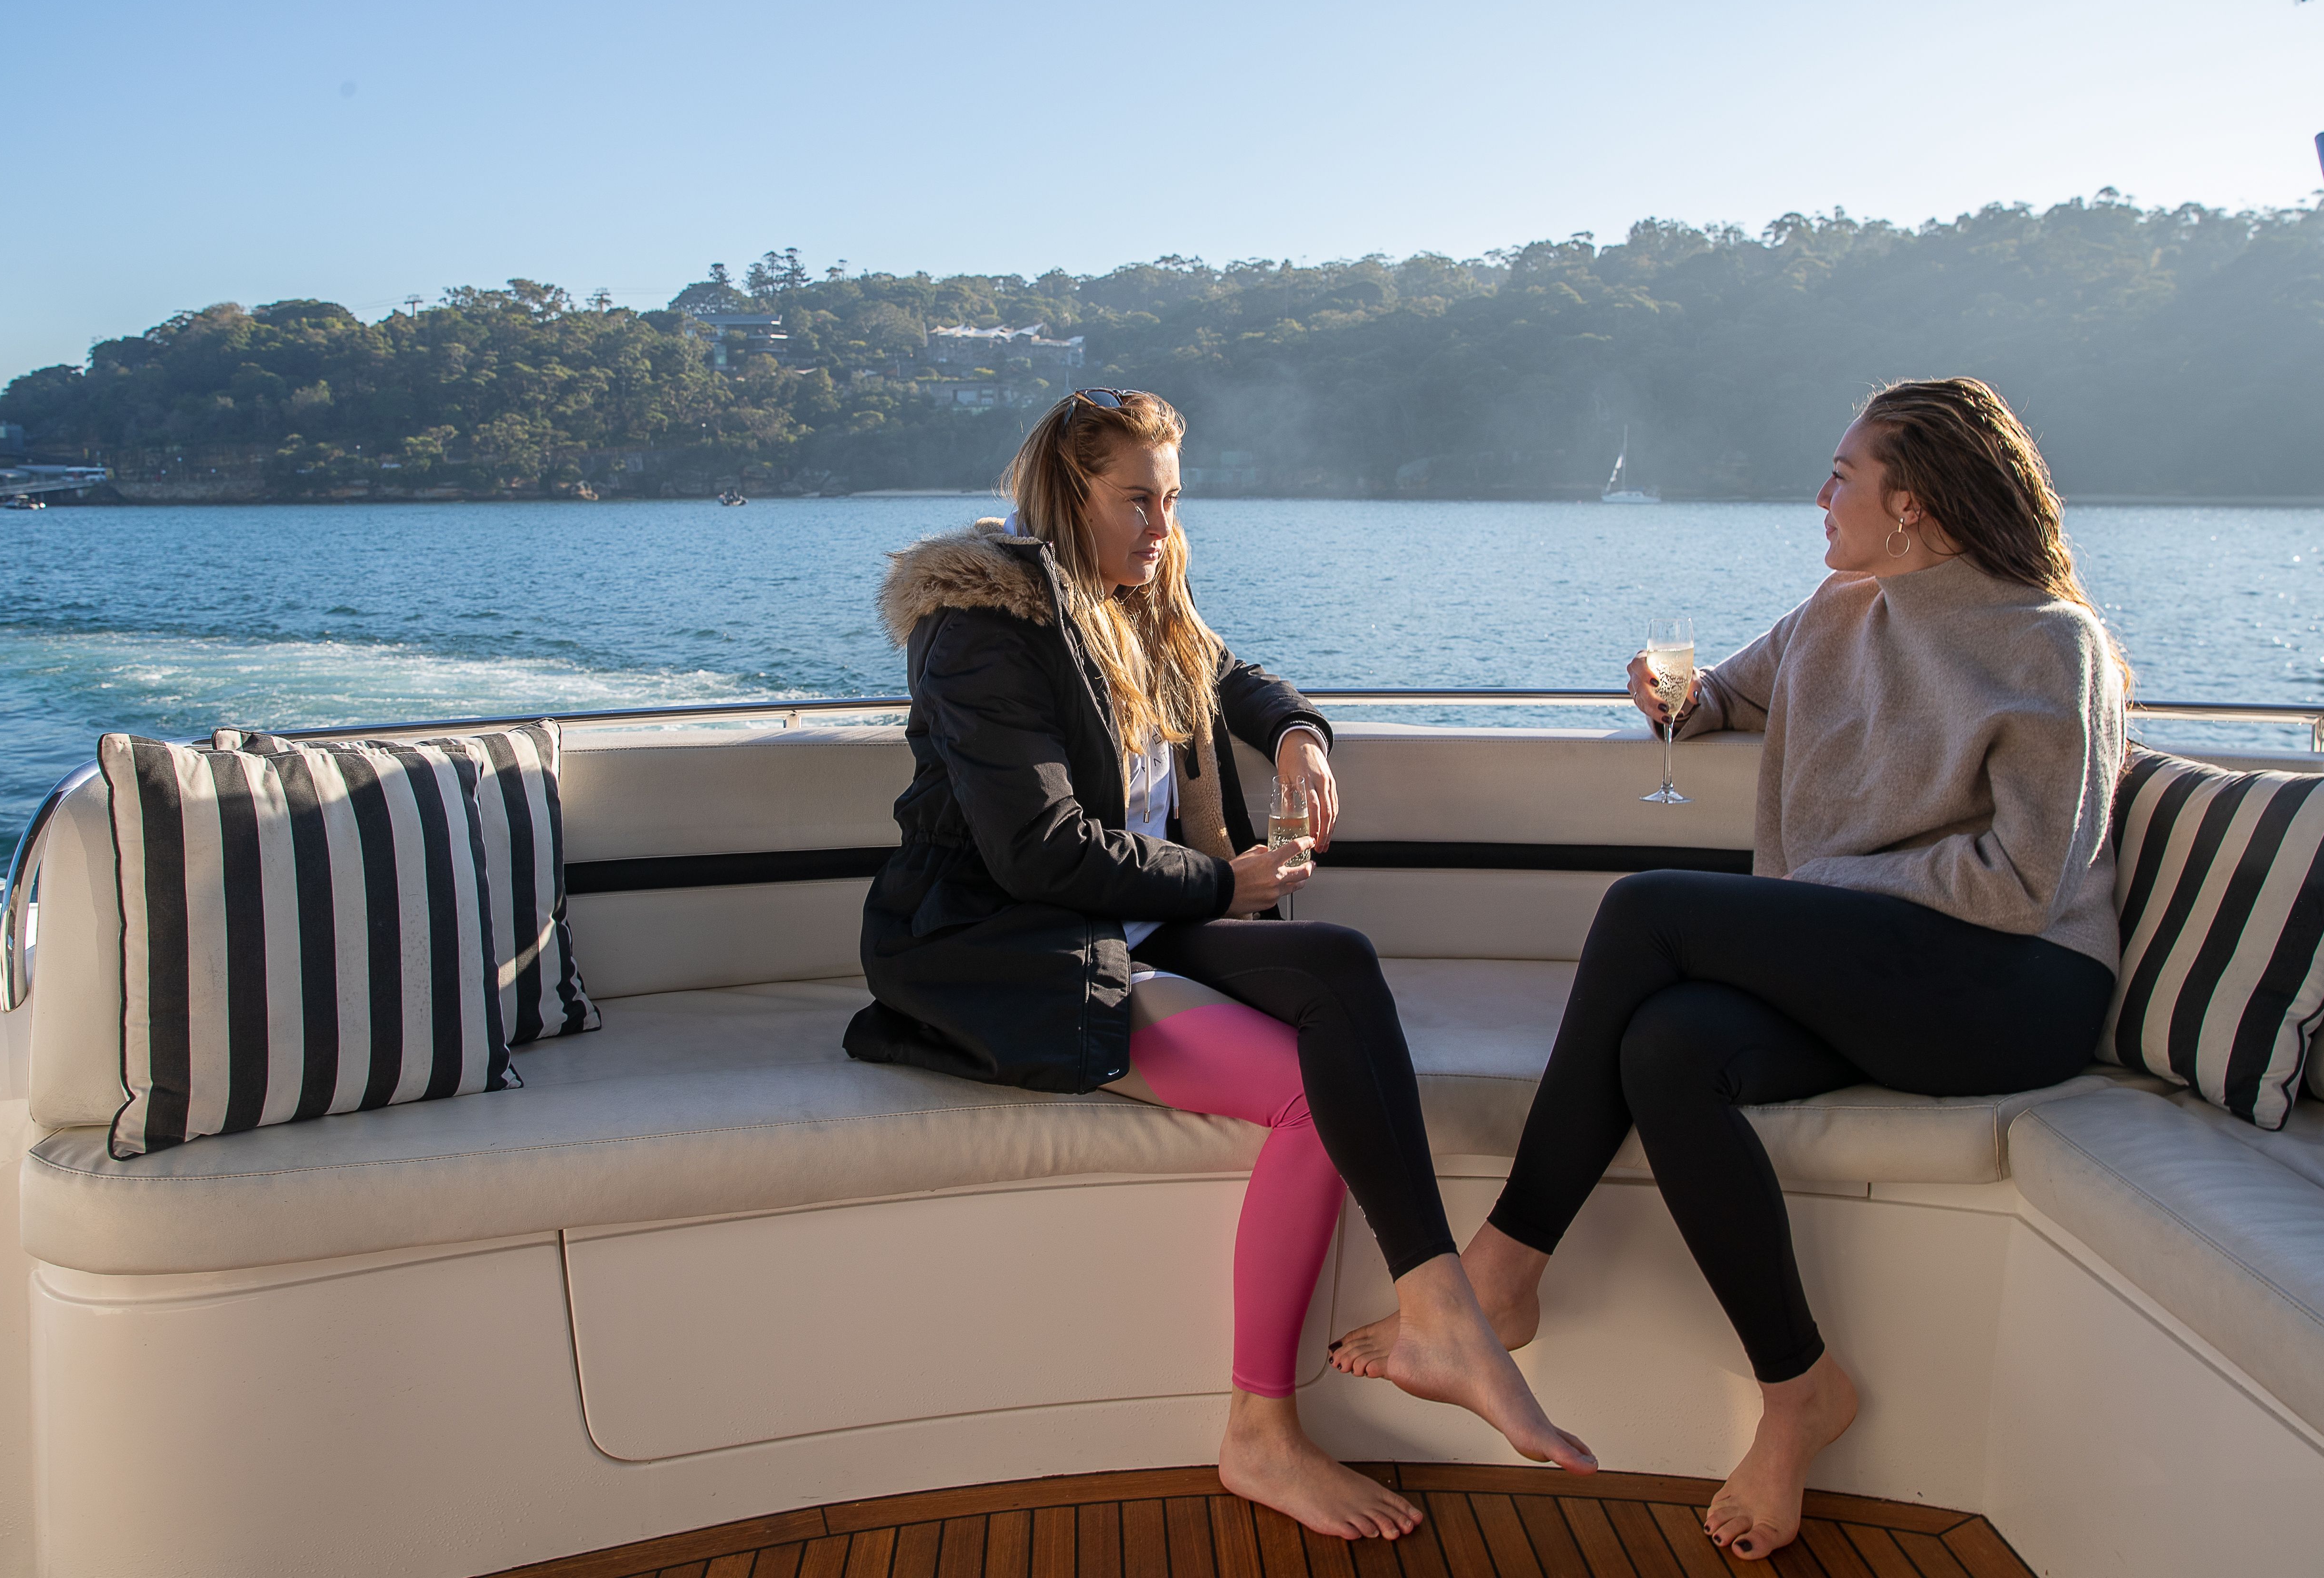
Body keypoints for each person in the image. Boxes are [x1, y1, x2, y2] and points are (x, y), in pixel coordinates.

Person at [1329, 377, 2128, 1562]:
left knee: (1647, 910)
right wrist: (1672, 701)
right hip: (1874, 974)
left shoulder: (2052, 644)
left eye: (1843, 476)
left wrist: (1820, 892)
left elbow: (2023, 882)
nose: (1822, 496)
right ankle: (1800, 1390)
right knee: (1671, 1049)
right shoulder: (1837, 615)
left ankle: (1496, 1275)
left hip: (2012, 990)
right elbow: (1721, 700)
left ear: (1911, 503)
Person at [848, 388, 1594, 1540]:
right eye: (1136, 501)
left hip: (1135, 920)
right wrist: (1221, 884)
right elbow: (1037, 850)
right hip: (1014, 947)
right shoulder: (984, 630)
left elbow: (1237, 680)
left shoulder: (1143, 597)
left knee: (1338, 962)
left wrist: (1298, 735)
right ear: (1067, 498)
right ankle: (1263, 1431)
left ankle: (1438, 1310)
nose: (1162, 528)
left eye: (1174, 499)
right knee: (1309, 1096)